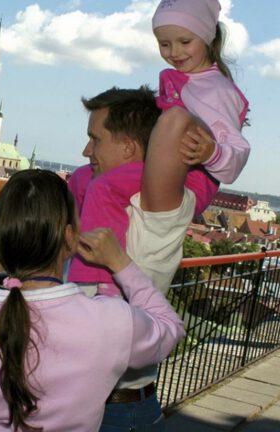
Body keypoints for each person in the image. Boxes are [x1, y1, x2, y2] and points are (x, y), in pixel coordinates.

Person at [0, 170, 184, 432]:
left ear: (1, 241)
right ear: (69, 237)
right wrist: (121, 263)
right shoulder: (110, 322)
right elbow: (171, 329)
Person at [69, 0, 250, 298]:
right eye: (164, 44)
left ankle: (95, 278)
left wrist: (212, 153)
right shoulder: (185, 79)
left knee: (102, 186)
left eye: (184, 41)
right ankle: (67, 252)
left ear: (207, 38)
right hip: (163, 166)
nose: (174, 51)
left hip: (190, 177)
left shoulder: (216, 89)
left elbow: (237, 152)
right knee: (81, 179)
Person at [64, 87, 202, 431]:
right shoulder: (96, 205)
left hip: (118, 414)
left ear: (128, 147)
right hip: (83, 406)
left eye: (95, 139)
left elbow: (174, 122)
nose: (86, 151)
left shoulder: (156, 216)